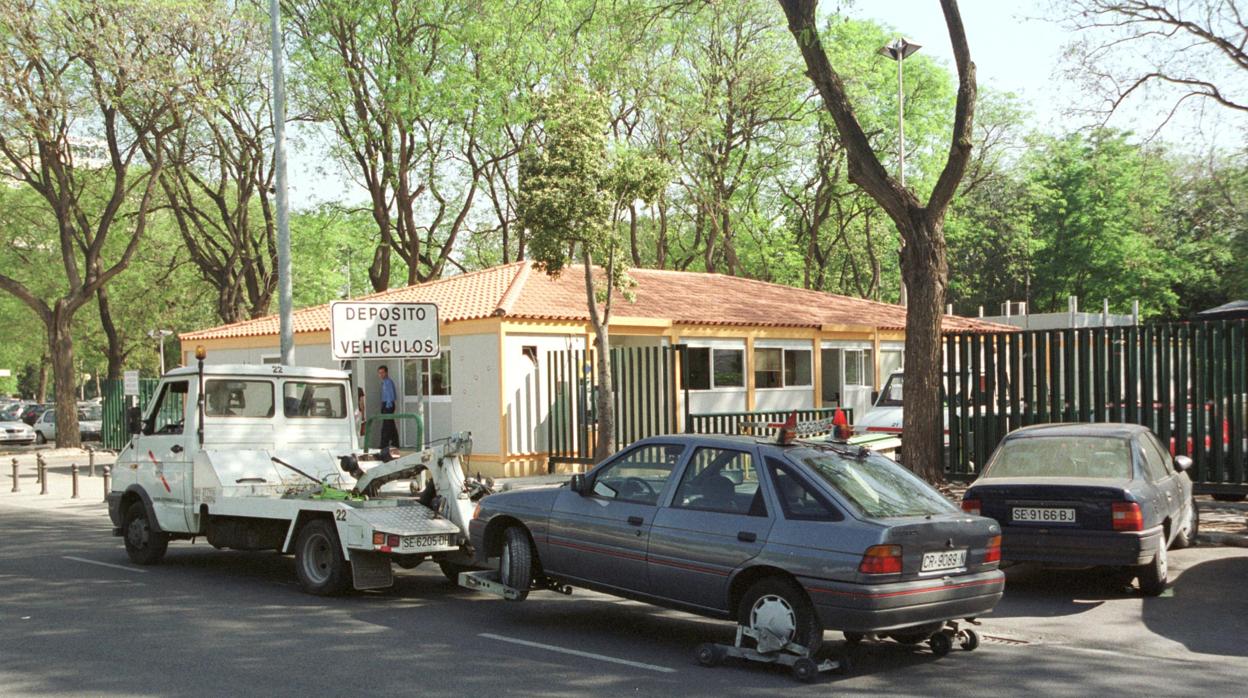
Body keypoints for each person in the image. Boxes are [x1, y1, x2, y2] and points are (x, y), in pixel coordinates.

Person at [377, 365, 399, 449]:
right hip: (385, 404)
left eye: (382, 372)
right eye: (379, 373)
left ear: (386, 373)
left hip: (388, 404)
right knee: (390, 425)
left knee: (386, 425)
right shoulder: (384, 382)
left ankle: (384, 444)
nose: (381, 375)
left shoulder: (388, 382)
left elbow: (390, 394)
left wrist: (388, 405)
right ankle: (395, 442)